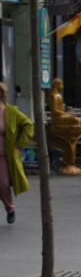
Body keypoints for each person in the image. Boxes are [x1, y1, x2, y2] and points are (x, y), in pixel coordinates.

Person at [0, 81, 35, 224]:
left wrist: (19, 144)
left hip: (4, 154)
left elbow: (28, 125)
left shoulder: (10, 112)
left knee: (3, 184)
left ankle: (10, 208)